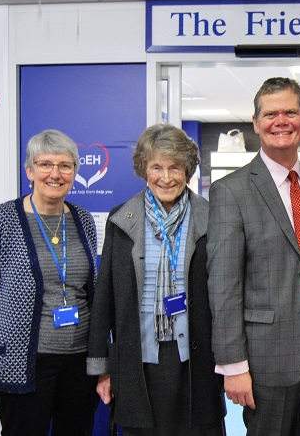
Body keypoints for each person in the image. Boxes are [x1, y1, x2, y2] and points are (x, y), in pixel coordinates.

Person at [207, 77, 300, 435]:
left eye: (290, 112)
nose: (281, 121)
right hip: (266, 355)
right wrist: (232, 364)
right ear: (256, 124)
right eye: (270, 114)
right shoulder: (230, 191)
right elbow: (223, 284)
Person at [87, 124, 225, 435]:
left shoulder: (214, 217)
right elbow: (105, 295)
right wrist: (101, 368)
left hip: (197, 359)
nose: (165, 177)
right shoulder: (120, 219)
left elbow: (226, 294)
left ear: (187, 170)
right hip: (138, 361)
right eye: (156, 167)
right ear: (143, 169)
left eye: (175, 167)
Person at [0, 129, 99, 435]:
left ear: (75, 173)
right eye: (45, 164)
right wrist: (4, 337)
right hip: (21, 364)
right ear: (29, 170)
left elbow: (87, 286)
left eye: (65, 165)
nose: (55, 173)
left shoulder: (83, 219)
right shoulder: (1, 220)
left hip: (79, 364)